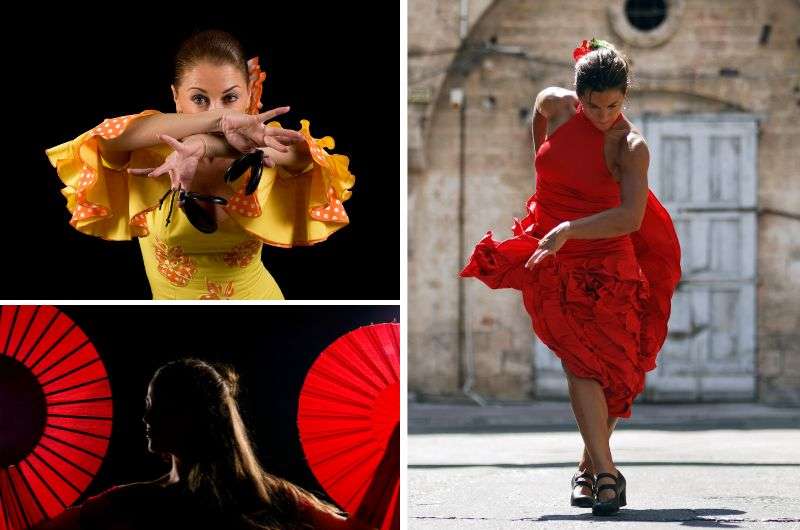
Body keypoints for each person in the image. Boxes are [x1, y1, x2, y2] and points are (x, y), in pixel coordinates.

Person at [460, 38, 681, 515]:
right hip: (554, 257)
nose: (603, 115)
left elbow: (629, 218)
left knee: (617, 372)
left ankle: (589, 465)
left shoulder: (630, 145)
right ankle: (606, 474)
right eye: (594, 105)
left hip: (607, 264)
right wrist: (545, 180)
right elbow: (539, 125)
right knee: (580, 363)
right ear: (576, 96)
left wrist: (567, 228)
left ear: (626, 96)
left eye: (614, 105)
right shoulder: (554, 105)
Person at [45, 29, 355, 300]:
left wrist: (205, 143)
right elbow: (107, 141)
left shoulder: (266, 141)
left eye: (230, 99)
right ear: (176, 98)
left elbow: (304, 158)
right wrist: (219, 121)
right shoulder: (147, 146)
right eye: (200, 99)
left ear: (248, 93)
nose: (219, 111)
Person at [31, 359, 375, 530]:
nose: (146, 419)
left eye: (159, 407)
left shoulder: (129, 503)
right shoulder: (273, 497)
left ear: (192, 416)